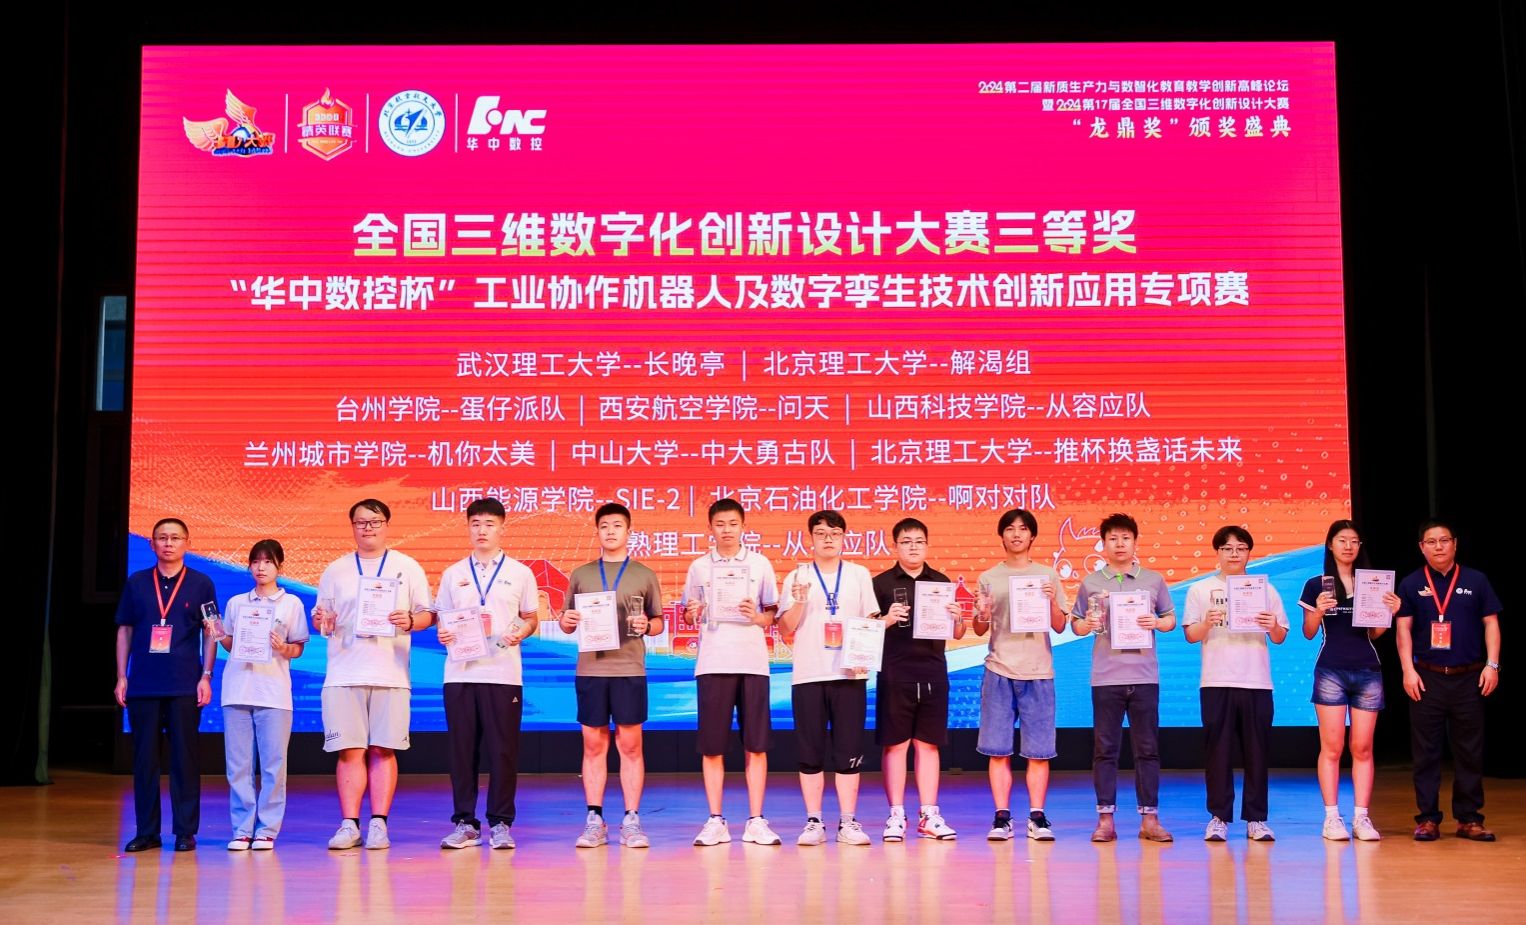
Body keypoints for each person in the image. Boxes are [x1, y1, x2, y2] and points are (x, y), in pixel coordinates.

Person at [312, 499, 434, 850]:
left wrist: (409, 621)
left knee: (383, 749)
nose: (368, 528)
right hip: (344, 673)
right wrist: (322, 621)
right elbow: (322, 619)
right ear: (352, 527)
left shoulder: (407, 567)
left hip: (391, 672)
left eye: (375, 521)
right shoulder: (335, 570)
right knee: (348, 751)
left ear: (386, 525)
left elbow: (427, 615)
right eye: (361, 522)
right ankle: (349, 825)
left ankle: (379, 824)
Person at [434, 498, 539, 850]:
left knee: (503, 751)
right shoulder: (453, 574)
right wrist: (443, 633)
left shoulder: (520, 573)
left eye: (489, 524)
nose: (482, 530)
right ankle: (465, 822)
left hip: (503, 673)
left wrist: (521, 631)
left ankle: (501, 823)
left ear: (502, 528)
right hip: (460, 674)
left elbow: (531, 618)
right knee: (462, 751)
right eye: (476, 523)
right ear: (468, 528)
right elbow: (442, 620)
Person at [559, 502, 662, 849]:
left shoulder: (644, 574)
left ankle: (631, 820)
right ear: (597, 532)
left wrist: (647, 625)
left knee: (630, 745)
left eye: (617, 525)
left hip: (629, 668)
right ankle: (594, 819)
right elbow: (566, 622)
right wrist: (567, 621)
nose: (611, 531)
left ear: (629, 532)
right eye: (604, 526)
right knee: (593, 744)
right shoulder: (582, 574)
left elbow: (658, 622)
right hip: (591, 669)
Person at [777, 510, 882, 847]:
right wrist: (799, 601)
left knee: (849, 750)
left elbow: (871, 620)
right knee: (810, 751)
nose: (828, 539)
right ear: (810, 538)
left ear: (843, 538)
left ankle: (848, 821)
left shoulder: (858, 574)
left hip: (849, 674)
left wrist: (864, 658)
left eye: (835, 534)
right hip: (808, 674)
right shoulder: (797, 576)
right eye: (821, 533)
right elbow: (785, 628)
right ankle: (814, 821)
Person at [114, 517, 220, 852]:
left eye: (175, 538)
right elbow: (125, 630)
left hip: (184, 684)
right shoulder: (137, 582)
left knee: (184, 759)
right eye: (162, 538)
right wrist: (122, 675)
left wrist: (206, 675)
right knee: (145, 760)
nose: (168, 543)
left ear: (187, 543)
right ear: (152, 544)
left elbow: (212, 631)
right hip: (143, 684)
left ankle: (185, 831)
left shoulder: (202, 583)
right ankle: (147, 831)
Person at [1070, 512, 1177, 843]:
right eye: (1113, 538)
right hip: (1106, 676)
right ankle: (1105, 820)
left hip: (1144, 675)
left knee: (1148, 749)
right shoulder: (1091, 583)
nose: (1119, 544)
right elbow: (1076, 624)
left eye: (1125, 538)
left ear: (1135, 542)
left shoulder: (1153, 580)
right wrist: (1086, 624)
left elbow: (1170, 619)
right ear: (1103, 544)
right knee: (1105, 750)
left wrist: (1156, 623)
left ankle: (1150, 820)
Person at [683, 498, 783, 847]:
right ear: (710, 528)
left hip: (752, 663)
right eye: (720, 524)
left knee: (756, 744)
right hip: (713, 662)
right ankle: (716, 820)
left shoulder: (760, 563)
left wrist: (756, 616)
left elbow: (772, 614)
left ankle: (756, 820)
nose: (726, 530)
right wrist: (694, 611)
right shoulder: (699, 567)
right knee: (713, 747)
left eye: (732, 523)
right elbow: (687, 615)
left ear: (743, 527)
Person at [1395, 519, 1503, 842]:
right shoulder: (1411, 583)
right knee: (1425, 753)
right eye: (1431, 541)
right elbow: (1403, 630)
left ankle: (1469, 819)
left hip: (1469, 677)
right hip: (1426, 677)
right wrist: (1408, 670)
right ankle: (1428, 819)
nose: (1438, 546)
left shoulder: (1476, 580)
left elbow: (1491, 623)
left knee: (1469, 751)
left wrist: (1492, 665)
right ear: (1421, 548)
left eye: (1444, 540)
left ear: (1455, 544)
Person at [1183, 526, 1288, 842]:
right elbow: (1190, 635)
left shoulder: (1265, 590)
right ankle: (1219, 817)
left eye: (1240, 548)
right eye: (1227, 548)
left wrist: (1272, 625)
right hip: (1216, 680)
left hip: (1257, 681)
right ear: (1217, 552)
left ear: (1249, 554)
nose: (1234, 554)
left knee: (1257, 752)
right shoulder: (1200, 589)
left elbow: (1280, 636)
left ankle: (1256, 819)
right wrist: (1207, 622)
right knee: (1218, 752)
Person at [971, 509, 1069, 841]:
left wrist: (1051, 601)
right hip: (999, 668)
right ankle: (1002, 817)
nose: (1016, 534)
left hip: (1039, 671)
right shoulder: (989, 577)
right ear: (1001, 535)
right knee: (998, 749)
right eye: (1010, 529)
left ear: (1032, 536)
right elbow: (979, 627)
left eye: (1023, 529)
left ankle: (1037, 816)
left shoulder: (1047, 575)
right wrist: (982, 612)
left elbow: (1060, 625)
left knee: (1039, 751)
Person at [1299, 519, 1398, 842]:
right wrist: (1317, 611)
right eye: (1342, 540)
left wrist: (1390, 612)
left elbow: (1375, 633)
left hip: (1368, 670)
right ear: (1330, 544)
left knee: (1363, 747)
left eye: (1354, 541)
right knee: (1332, 747)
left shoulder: (1372, 583)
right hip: (1330, 669)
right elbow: (1308, 632)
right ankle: (1331, 818)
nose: (1348, 546)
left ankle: (1361, 817)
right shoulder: (1317, 584)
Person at [871, 517, 966, 841]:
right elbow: (865, 632)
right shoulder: (880, 584)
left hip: (933, 672)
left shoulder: (941, 582)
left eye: (919, 541)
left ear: (927, 545)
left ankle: (929, 814)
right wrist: (886, 620)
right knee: (896, 745)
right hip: (895, 673)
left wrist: (958, 619)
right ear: (894, 546)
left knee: (928, 744)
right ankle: (896, 815)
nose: (913, 547)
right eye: (906, 542)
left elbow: (957, 633)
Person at [219, 539, 308, 850]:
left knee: (273, 765)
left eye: (268, 562)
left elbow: (298, 647)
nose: (261, 567)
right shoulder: (236, 603)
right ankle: (242, 829)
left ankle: (267, 829)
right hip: (237, 690)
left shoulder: (291, 603)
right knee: (238, 765)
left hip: (274, 693)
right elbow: (230, 645)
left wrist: (283, 647)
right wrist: (219, 634)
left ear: (279, 566)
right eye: (255, 561)